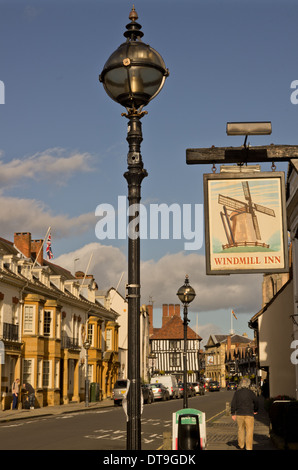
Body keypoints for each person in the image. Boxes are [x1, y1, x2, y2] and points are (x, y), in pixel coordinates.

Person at [231, 377, 259, 450]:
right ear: (248, 384)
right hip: (249, 414)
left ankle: (241, 445)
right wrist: (255, 410)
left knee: (240, 430)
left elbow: (233, 403)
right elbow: (256, 401)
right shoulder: (251, 393)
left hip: (240, 414)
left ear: (241, 384)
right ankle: (249, 447)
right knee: (249, 431)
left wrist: (233, 413)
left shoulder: (237, 393)